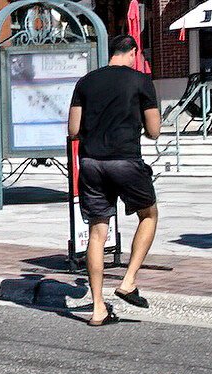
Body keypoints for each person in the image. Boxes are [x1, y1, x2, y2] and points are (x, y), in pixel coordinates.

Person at [68, 35, 162, 326]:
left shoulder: (85, 81)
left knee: (98, 232)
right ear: (133, 52)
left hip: (91, 163)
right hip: (125, 160)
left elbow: (73, 129)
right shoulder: (140, 80)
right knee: (148, 214)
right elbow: (155, 131)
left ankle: (98, 308)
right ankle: (128, 281)